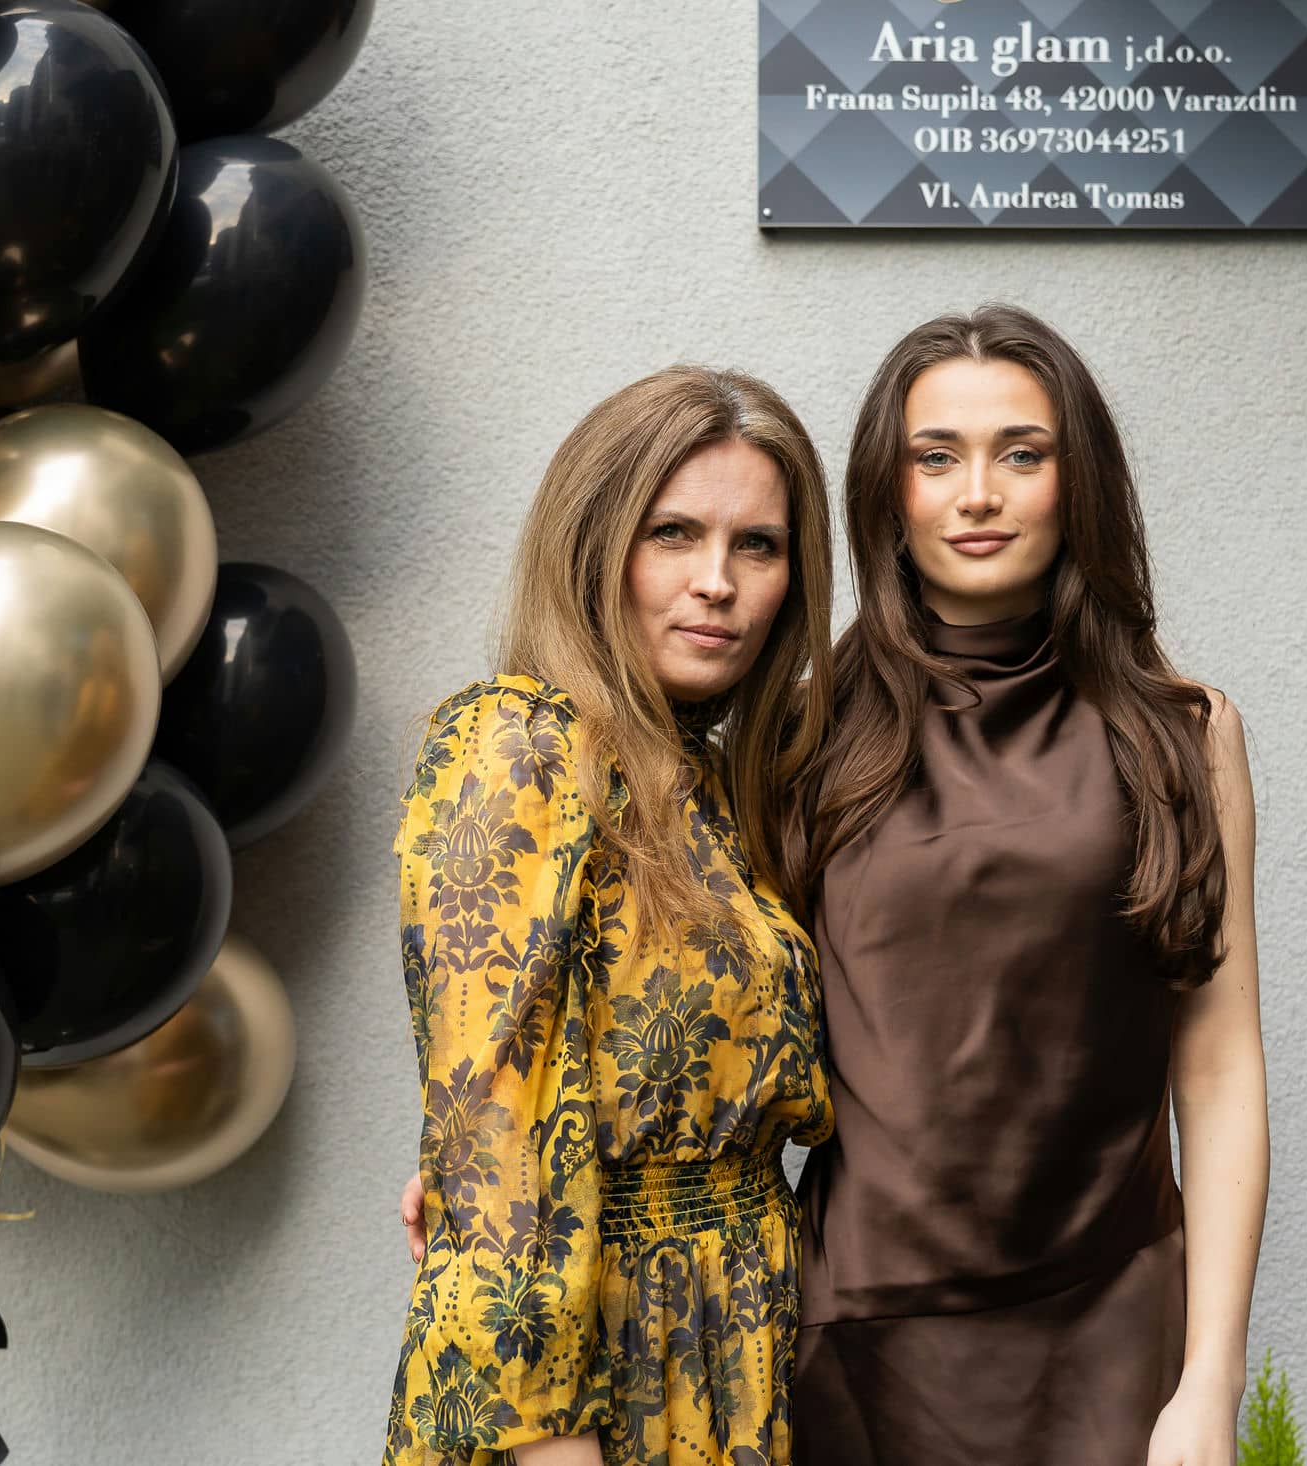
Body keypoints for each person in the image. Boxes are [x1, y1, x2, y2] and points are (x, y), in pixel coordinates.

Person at [789, 305, 1270, 1466]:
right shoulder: (801, 732)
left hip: (1109, 1318)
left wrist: (1211, 1375)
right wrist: (499, 1161)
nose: (977, 494)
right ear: (888, 492)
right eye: (935, 456)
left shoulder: (1185, 734)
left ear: (1077, 479)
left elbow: (1217, 1065)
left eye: (1020, 452)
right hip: (857, 1329)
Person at [383, 364, 839, 1466]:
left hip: (736, 1344)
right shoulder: (519, 744)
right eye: (672, 533)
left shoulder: (718, 785)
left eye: (758, 546)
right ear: (595, 545)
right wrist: (553, 1444)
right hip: (597, 1370)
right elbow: (494, 1154)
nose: (717, 582)